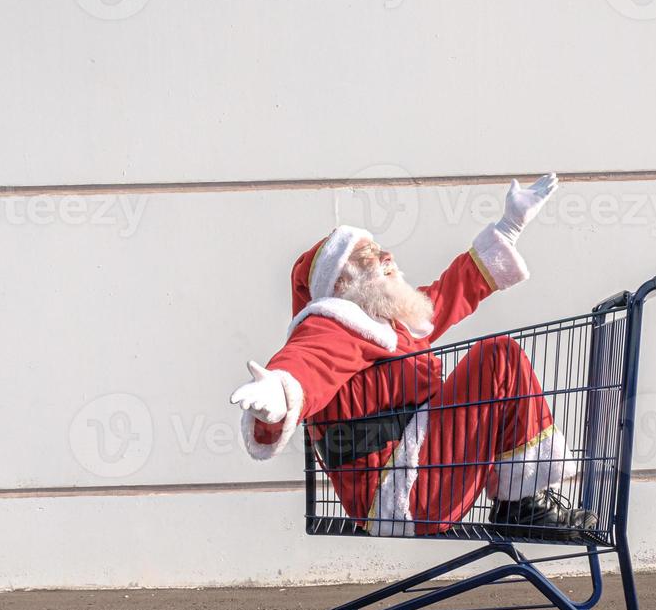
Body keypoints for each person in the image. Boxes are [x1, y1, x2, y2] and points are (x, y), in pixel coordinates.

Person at [229, 174, 595, 539]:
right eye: (368, 255)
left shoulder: (388, 327)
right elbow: (309, 362)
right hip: (397, 490)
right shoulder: (336, 324)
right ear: (340, 284)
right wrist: (279, 391)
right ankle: (520, 506)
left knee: (499, 360)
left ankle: (520, 503)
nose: (387, 256)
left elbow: (450, 293)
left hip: (415, 470)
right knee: (498, 358)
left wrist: (509, 227)